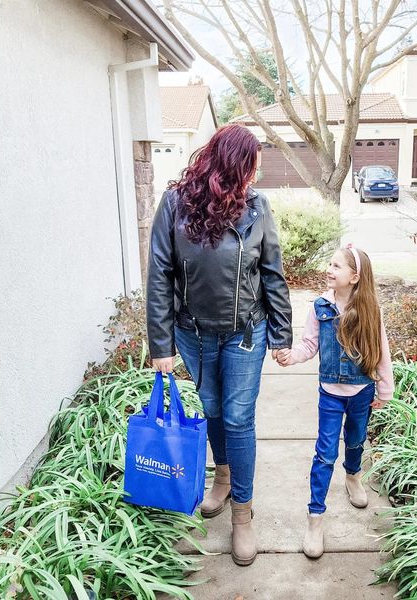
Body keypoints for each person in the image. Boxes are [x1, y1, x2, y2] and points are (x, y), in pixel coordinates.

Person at [146, 124, 292, 567]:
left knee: (237, 417)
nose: (256, 173)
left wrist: (282, 334)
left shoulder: (256, 206)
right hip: (192, 333)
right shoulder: (175, 203)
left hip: (246, 332)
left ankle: (243, 515)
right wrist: (161, 343)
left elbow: (272, 272)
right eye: (252, 164)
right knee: (211, 410)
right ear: (231, 163)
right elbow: (159, 276)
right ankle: (222, 478)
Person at [276, 245, 394, 559]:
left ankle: (353, 476)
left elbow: (380, 351)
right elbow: (309, 344)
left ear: (355, 277)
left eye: (337, 266)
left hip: (361, 392)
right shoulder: (320, 307)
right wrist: (292, 356)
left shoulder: (370, 310)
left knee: (355, 441)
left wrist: (385, 390)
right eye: (329, 264)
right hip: (330, 393)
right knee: (325, 453)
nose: (330, 270)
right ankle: (315, 517)